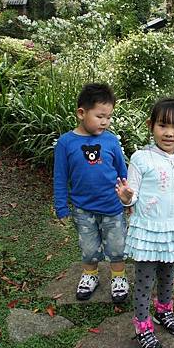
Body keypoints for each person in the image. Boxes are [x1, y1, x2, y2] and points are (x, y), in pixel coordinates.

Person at [115, 98, 174, 348]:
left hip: (172, 230)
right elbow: (131, 193)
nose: (169, 133)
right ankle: (142, 323)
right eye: (163, 125)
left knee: (168, 276)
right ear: (151, 125)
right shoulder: (141, 158)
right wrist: (127, 198)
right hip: (147, 231)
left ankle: (164, 310)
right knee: (145, 281)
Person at [53, 83, 129, 303]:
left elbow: (123, 173)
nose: (105, 122)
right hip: (82, 208)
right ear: (81, 113)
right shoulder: (66, 143)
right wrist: (61, 206)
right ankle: (90, 275)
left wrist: (128, 198)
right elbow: (60, 177)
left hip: (112, 207)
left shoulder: (110, 140)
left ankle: (119, 277)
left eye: (109, 117)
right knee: (88, 247)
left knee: (117, 246)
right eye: (100, 116)